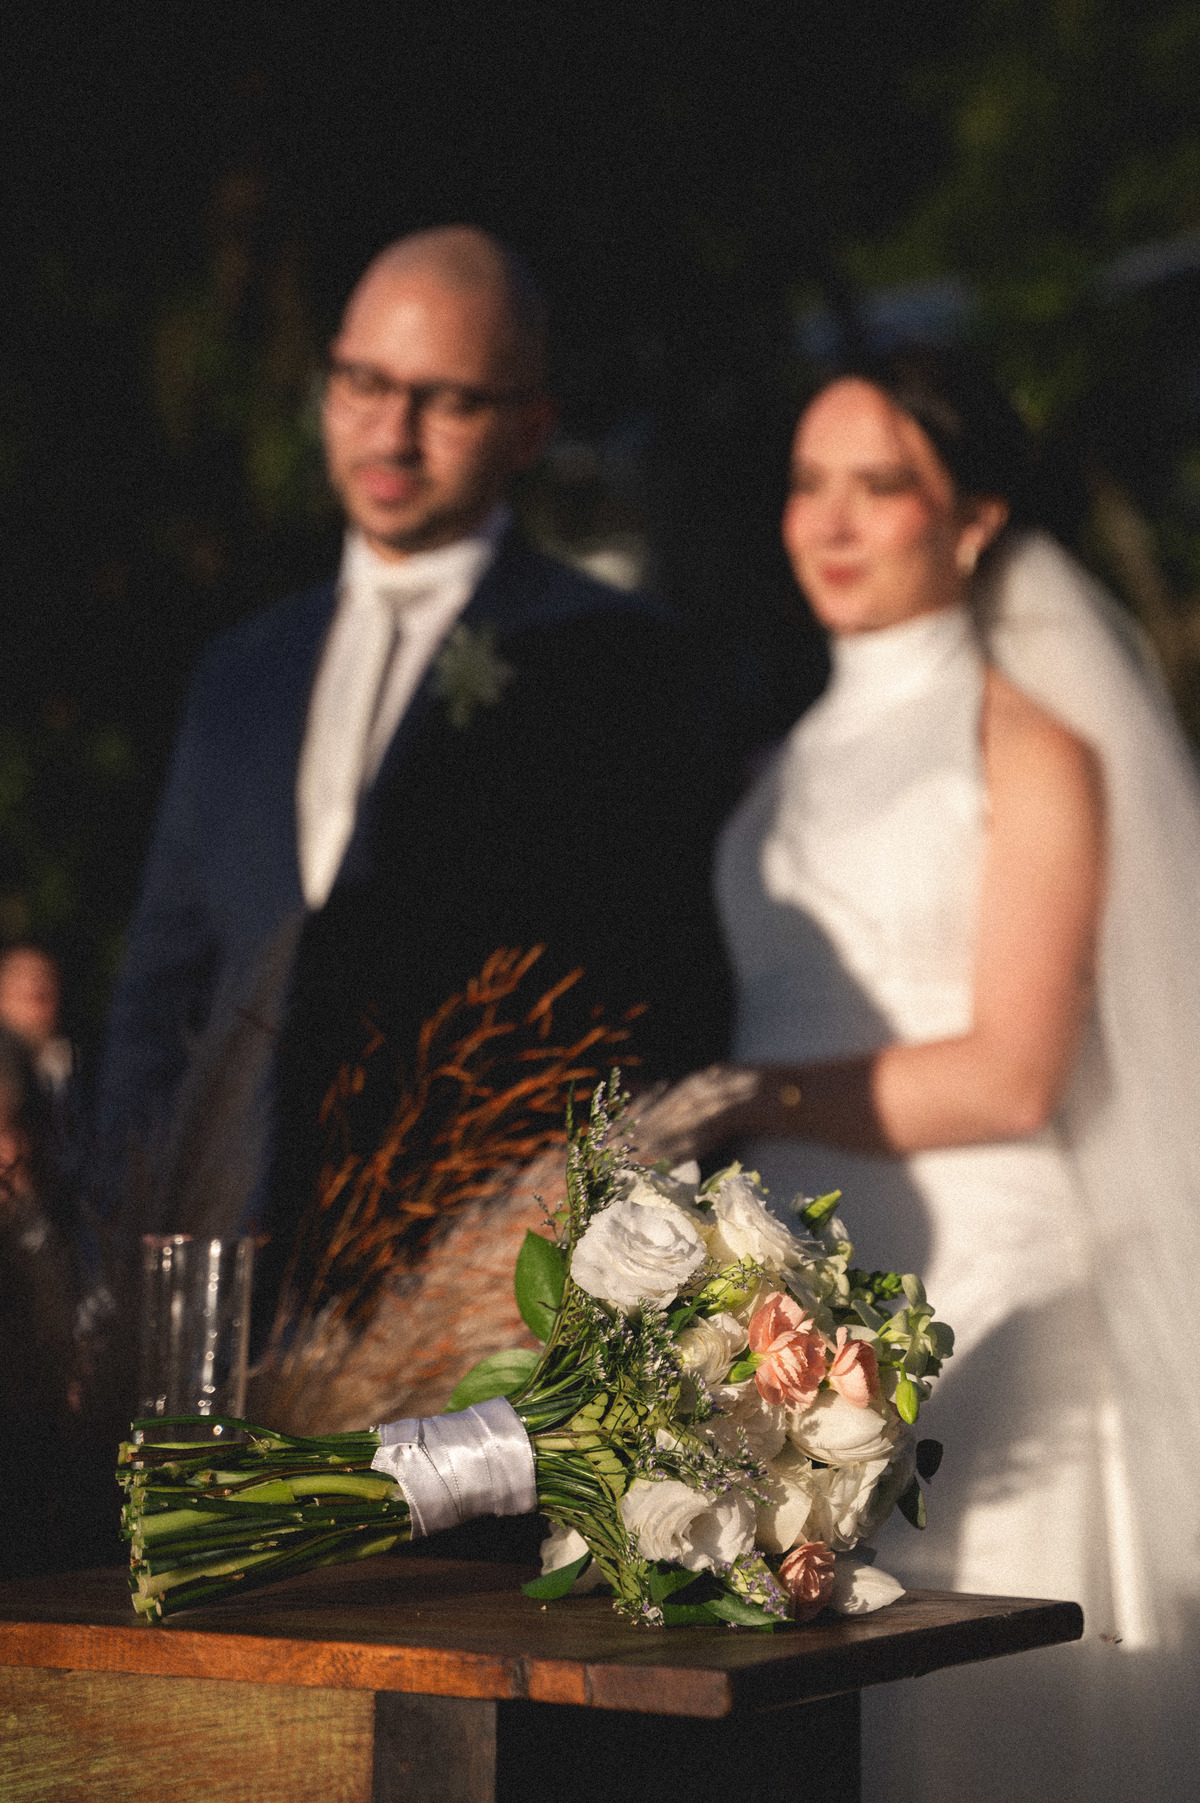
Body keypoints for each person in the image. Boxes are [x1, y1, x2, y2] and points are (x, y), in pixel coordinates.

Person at [666, 348, 1200, 1800]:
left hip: (991, 1324)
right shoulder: (781, 763)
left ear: (971, 519)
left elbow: (1014, 1073)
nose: (830, 522)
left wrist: (749, 1097)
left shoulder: (1025, 743)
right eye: (809, 484)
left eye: (880, 484)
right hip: (793, 1326)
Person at [97, 226, 731, 1303]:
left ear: (529, 426)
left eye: (446, 400)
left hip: (477, 1286)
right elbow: (165, 991)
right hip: (222, 1284)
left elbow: (651, 998)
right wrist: (109, 1263)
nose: (391, 432)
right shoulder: (240, 669)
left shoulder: (618, 664)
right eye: (364, 383)